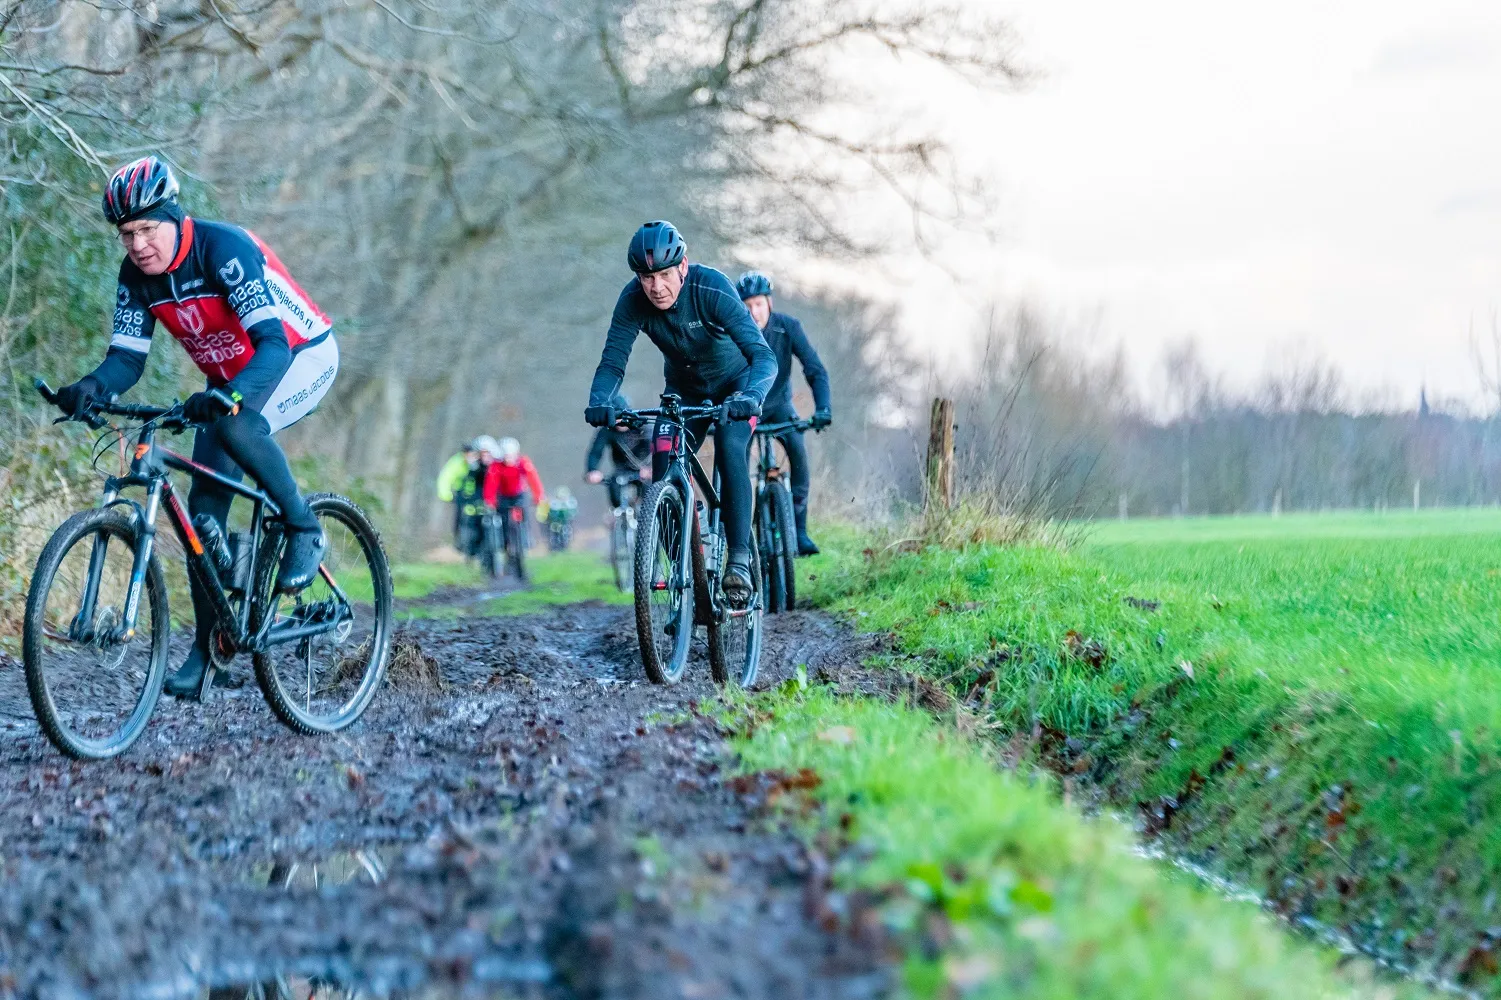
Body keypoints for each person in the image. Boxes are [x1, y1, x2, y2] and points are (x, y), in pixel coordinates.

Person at [51, 155, 339, 698]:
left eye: (146, 229)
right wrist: (92, 387)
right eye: (126, 233)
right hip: (231, 379)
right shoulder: (136, 275)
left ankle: (304, 527)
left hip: (301, 357)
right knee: (201, 517)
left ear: (175, 217)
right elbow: (127, 359)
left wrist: (229, 396)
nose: (137, 245)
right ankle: (211, 653)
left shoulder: (221, 250)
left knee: (236, 429)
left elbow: (274, 345)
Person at [585, 221, 775, 606]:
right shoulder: (633, 300)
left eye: (664, 275)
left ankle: (738, 560)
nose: (656, 287)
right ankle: (684, 571)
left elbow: (763, 356)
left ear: (683, 267)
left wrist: (751, 395)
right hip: (683, 391)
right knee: (663, 455)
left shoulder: (711, 287)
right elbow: (612, 364)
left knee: (730, 443)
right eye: (646, 277)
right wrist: (600, 400)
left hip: (735, 388)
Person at [735, 270, 831, 555]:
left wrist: (823, 407)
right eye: (747, 306)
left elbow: (814, 369)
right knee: (735, 462)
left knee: (798, 453)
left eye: (759, 304)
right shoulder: (733, 330)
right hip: (745, 408)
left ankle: (799, 530)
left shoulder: (787, 327)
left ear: (769, 303)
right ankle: (737, 534)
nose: (754, 312)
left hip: (779, 406)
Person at [585, 392, 652, 509]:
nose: (618, 421)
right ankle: (619, 518)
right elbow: (596, 451)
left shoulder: (642, 425)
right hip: (622, 470)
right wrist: (592, 470)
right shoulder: (607, 430)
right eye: (614, 417)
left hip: (645, 468)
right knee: (614, 489)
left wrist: (652, 467)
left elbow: (655, 447)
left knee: (649, 497)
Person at [436, 436, 497, 555]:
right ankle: (460, 543)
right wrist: (447, 495)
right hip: (462, 494)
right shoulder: (457, 462)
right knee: (461, 518)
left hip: (481, 495)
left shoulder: (486, 464)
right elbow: (446, 478)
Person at [483, 437, 548, 531]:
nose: (509, 459)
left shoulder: (523, 463)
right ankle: (505, 540)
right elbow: (491, 484)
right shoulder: (496, 466)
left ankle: (525, 538)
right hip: (503, 496)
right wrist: (490, 500)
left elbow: (534, 480)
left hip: (520, 494)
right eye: (506, 456)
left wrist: (538, 496)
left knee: (523, 517)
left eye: (511, 456)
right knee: (503, 518)